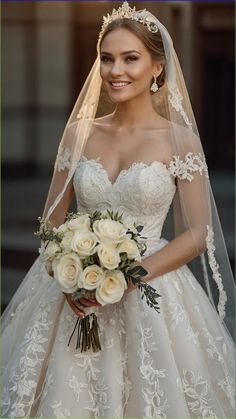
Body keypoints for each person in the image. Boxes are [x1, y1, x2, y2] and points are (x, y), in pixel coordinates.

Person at [1, 2, 235, 418]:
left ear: (157, 67)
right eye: (107, 58)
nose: (115, 71)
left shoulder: (179, 139)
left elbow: (198, 232)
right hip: (72, 295)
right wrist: (69, 273)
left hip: (152, 289)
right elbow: (51, 223)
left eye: (130, 58)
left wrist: (128, 278)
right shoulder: (78, 134)